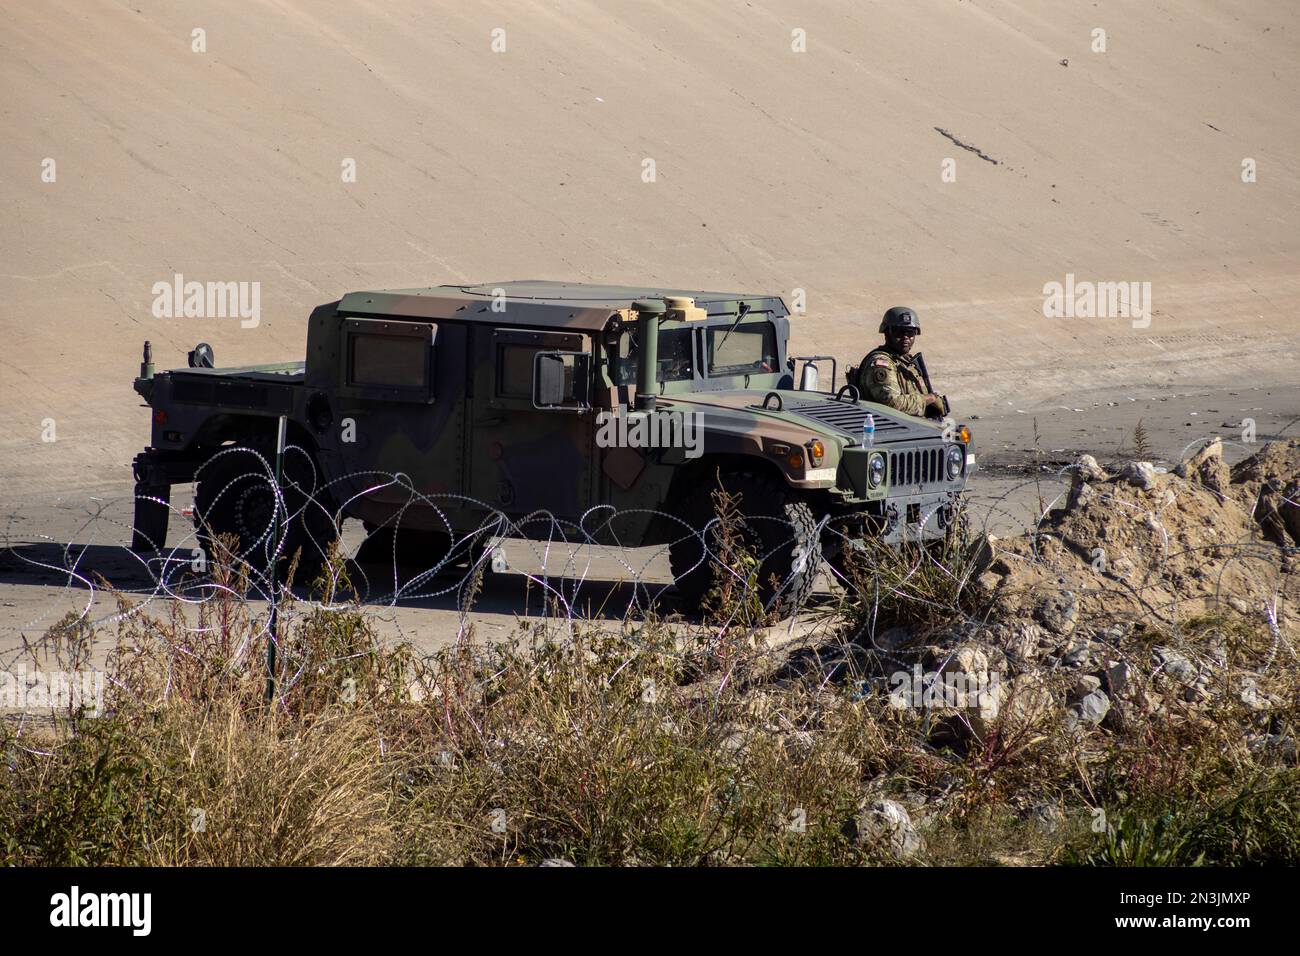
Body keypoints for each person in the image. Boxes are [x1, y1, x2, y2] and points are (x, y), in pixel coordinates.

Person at [853, 306, 945, 418]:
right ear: (887, 333)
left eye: (911, 333)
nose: (905, 337)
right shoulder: (881, 365)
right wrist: (928, 399)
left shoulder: (905, 361)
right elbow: (892, 404)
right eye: (899, 332)